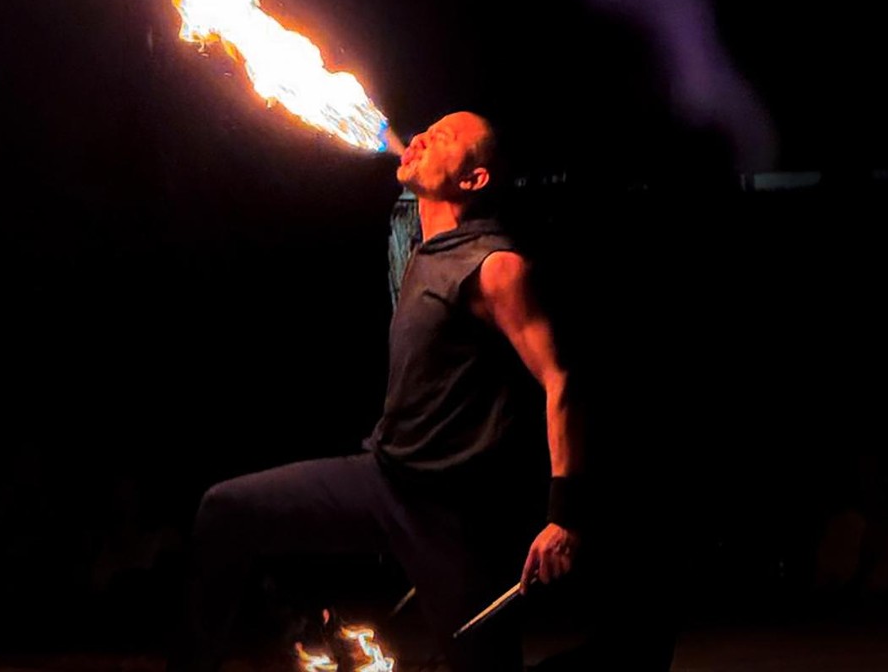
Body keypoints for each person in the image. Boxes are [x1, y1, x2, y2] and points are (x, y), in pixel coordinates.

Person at [166, 110, 585, 672]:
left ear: (474, 178)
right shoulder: (422, 244)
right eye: (424, 131)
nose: (423, 138)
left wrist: (563, 517)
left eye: (442, 138)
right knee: (224, 511)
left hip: (449, 516)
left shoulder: (495, 266)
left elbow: (561, 379)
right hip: (382, 478)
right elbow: (393, 183)